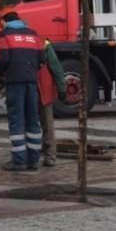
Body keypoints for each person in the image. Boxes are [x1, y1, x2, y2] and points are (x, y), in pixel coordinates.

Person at [0, 9, 45, 172]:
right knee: (32, 119)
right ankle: (34, 159)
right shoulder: (34, 34)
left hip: (15, 82)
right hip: (31, 81)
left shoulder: (4, 34)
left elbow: (4, 59)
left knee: (16, 120)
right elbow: (42, 60)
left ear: (3, 20)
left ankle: (19, 161)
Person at [38, 39, 67, 167]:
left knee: (40, 122)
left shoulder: (11, 40)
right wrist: (61, 86)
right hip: (42, 85)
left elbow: (55, 65)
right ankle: (49, 154)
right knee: (47, 121)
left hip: (32, 86)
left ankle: (46, 153)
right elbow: (55, 66)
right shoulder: (42, 42)